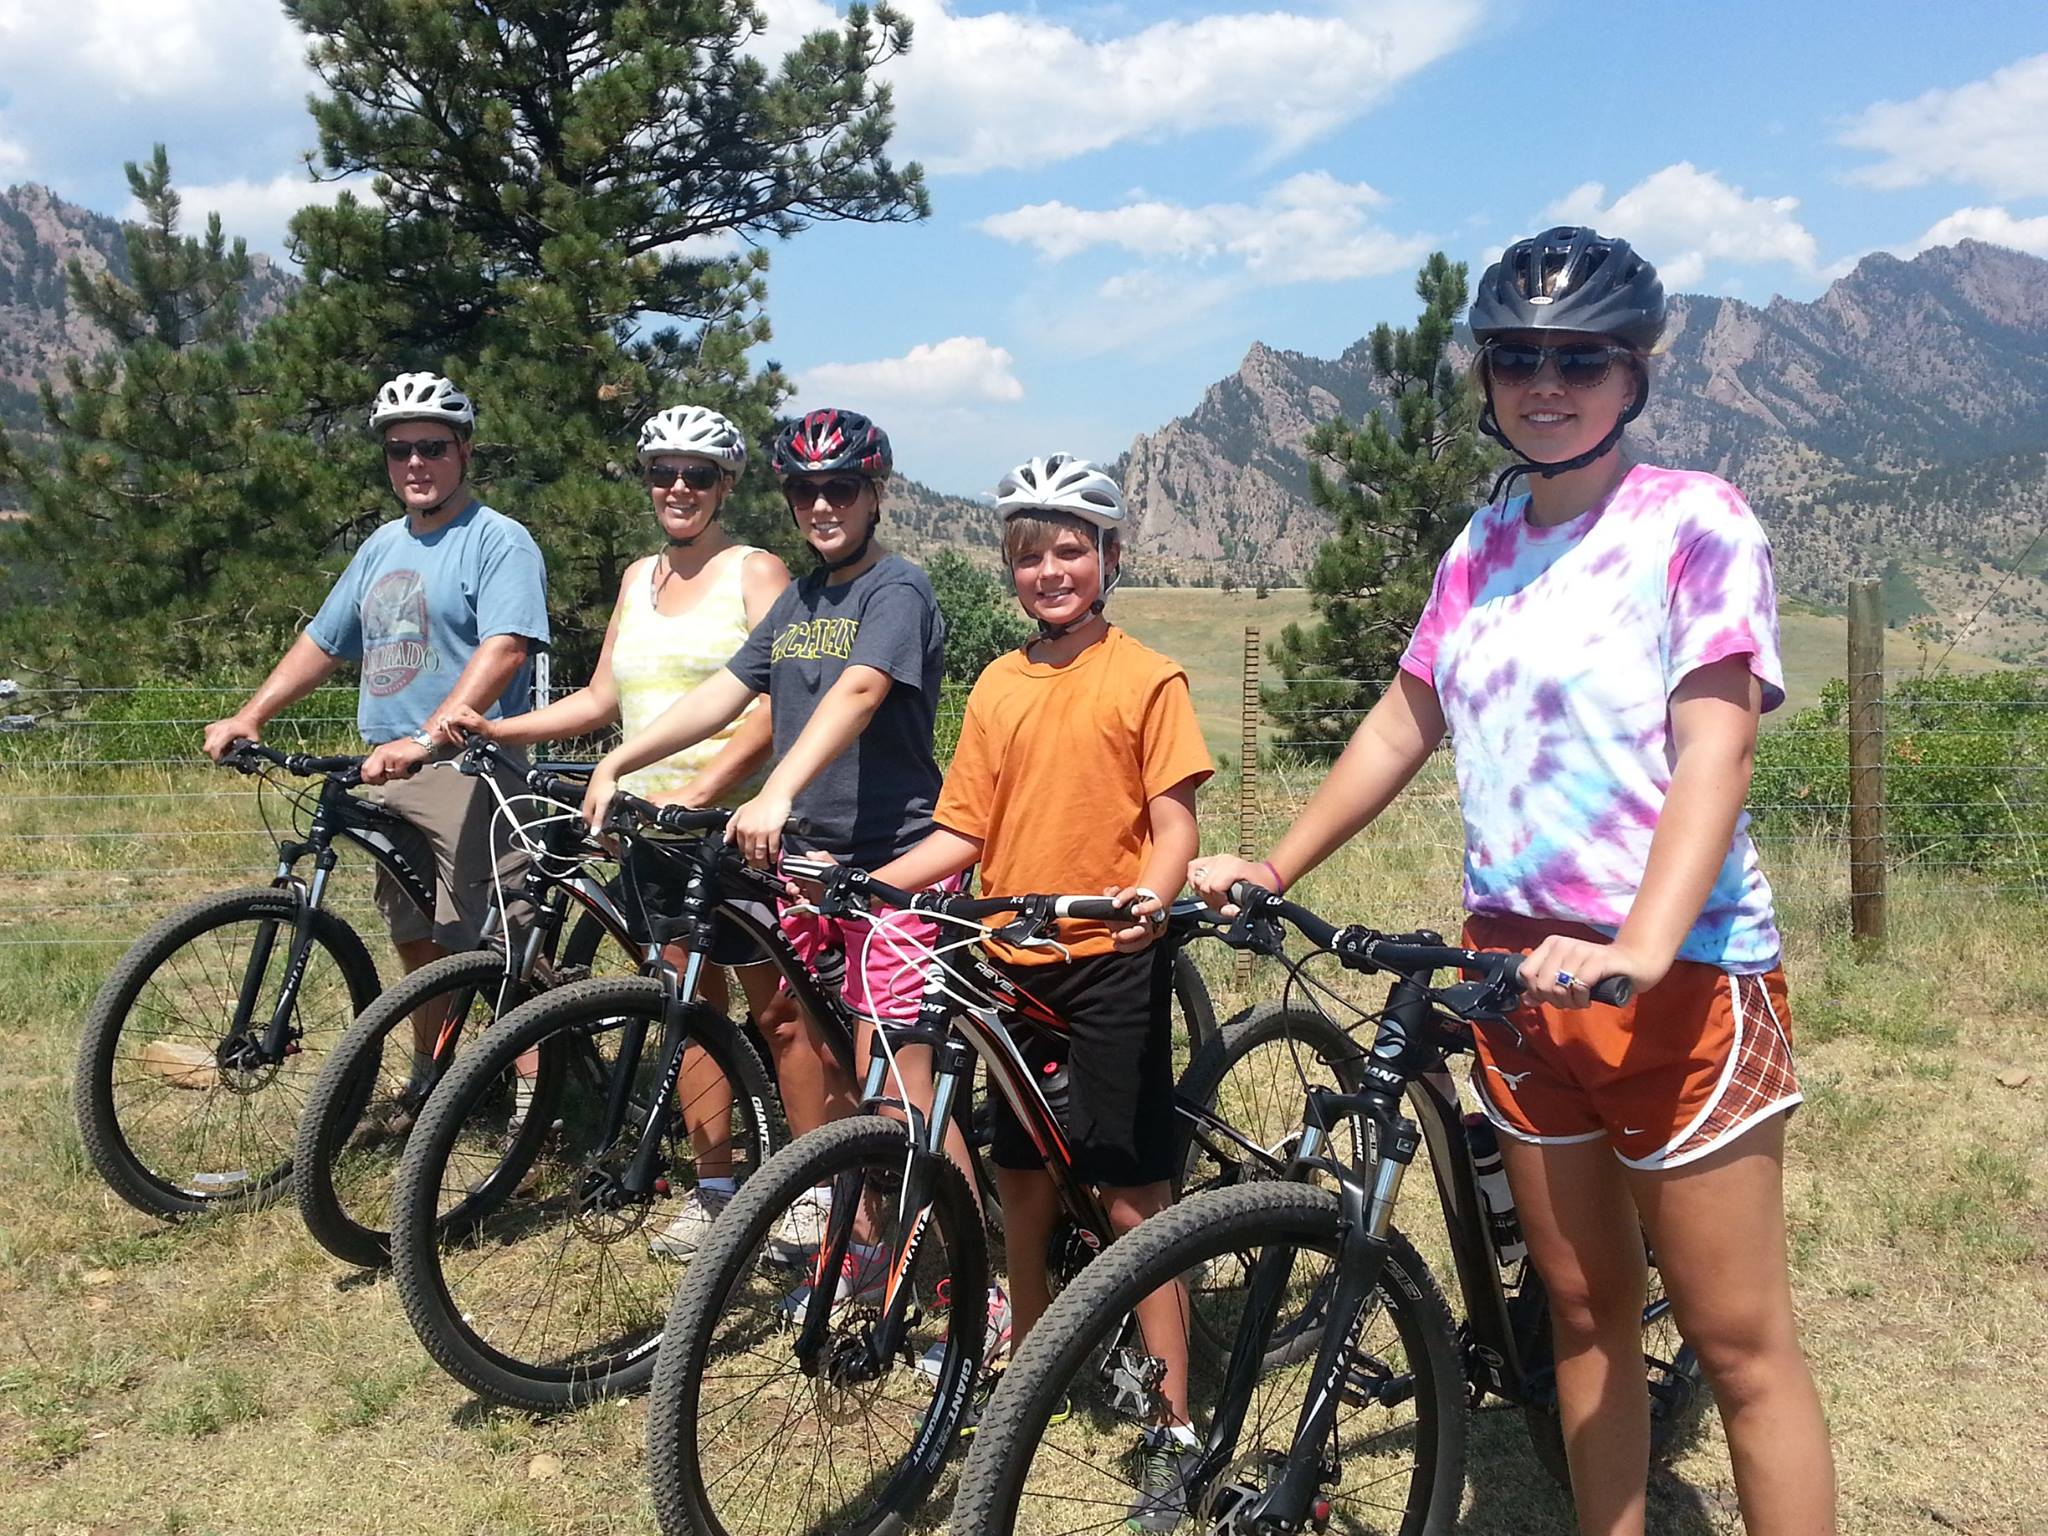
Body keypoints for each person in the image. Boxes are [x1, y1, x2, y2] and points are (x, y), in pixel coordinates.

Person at [1192, 226, 1837, 1536]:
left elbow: (1718, 741)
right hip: (1513, 978)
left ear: (1633, 371)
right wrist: (1275, 860)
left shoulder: (1693, 523)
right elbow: (1399, 722)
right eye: (1519, 356)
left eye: (1580, 358)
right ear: (1486, 374)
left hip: (1680, 979)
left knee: (1736, 1342)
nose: (1548, 381)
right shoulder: (1482, 542)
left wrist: (1644, 945)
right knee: (1583, 1313)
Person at [866, 453, 1211, 1526]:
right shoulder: (999, 685)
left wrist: (1150, 900)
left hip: (1106, 957)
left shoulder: (1145, 676)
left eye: (1069, 548)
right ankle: (1033, 1356)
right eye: (1028, 554)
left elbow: (1174, 824)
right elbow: (962, 830)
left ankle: (1175, 1424)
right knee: (1017, 1173)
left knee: (1125, 1193)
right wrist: (868, 887)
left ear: (1108, 557)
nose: (1048, 569)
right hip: (1007, 952)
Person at [581, 406, 954, 1267]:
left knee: (886, 1070)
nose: (822, 506)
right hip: (807, 864)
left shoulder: (896, 587)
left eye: (840, 489)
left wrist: (775, 790)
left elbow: (859, 692)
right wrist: (622, 759)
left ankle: (915, 1263)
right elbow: (723, 690)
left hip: (889, 858)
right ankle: (841, 1218)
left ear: (876, 494)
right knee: (815, 1044)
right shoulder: (800, 597)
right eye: (804, 490)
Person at [441, 403, 792, 1254]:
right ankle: (715, 1189)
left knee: (779, 1015)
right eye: (663, 472)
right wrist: (500, 728)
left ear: (726, 485)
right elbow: (603, 700)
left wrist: (706, 788)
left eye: (698, 474)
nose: (679, 487)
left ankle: (812, 1188)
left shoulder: (757, 571)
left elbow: (783, 700)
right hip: (647, 830)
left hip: (730, 826)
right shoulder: (640, 578)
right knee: (684, 1006)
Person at [202, 372, 550, 1101]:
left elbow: (505, 649)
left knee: (493, 946)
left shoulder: (497, 539)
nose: (415, 464)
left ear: (465, 453)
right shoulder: (383, 545)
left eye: (431, 447)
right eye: (399, 451)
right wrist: (251, 714)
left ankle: (533, 1112)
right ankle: (435, 1085)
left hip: (468, 768)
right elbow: (324, 642)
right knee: (417, 941)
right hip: (386, 768)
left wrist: (429, 738)